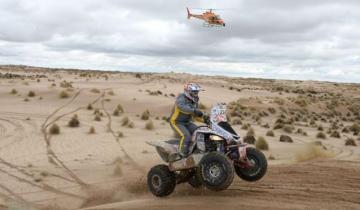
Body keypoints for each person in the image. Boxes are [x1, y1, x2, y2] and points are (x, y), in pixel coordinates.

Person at [169, 83, 208, 157]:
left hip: (187, 122)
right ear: (188, 91)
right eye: (194, 92)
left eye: (197, 92)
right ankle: (181, 154)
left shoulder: (194, 102)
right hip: (176, 122)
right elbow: (182, 108)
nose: (196, 94)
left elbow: (195, 116)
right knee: (186, 136)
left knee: (199, 132)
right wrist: (194, 111)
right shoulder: (181, 98)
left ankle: (195, 151)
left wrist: (205, 120)